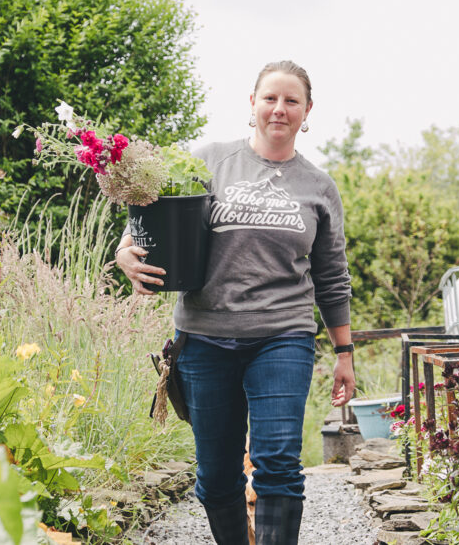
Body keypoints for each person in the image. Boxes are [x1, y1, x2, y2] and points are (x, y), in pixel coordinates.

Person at [115, 60, 355, 545]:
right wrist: (125, 252)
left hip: (283, 337)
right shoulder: (208, 161)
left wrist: (344, 353)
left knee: (278, 461)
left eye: (292, 101)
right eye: (270, 98)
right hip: (204, 336)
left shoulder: (318, 186)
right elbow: (154, 216)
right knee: (217, 474)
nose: (279, 109)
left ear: (308, 111)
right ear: (252, 104)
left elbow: (332, 276)